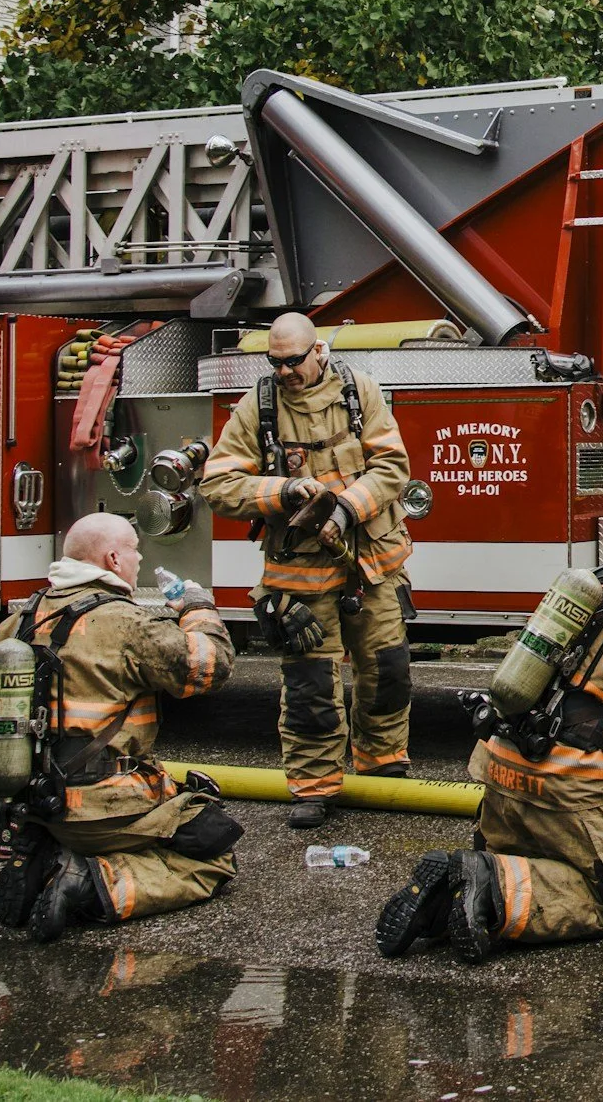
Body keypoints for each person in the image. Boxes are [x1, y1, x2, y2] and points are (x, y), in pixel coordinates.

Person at [373, 548, 603, 961]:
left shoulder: (593, 586)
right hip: (568, 792)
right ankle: (495, 890)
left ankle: (452, 892)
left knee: (555, 854)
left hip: (503, 779)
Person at [197, 312, 416, 830]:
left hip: (372, 568)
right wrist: (281, 491)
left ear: (318, 350)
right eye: (276, 362)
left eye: (294, 360)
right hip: (301, 579)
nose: (286, 371)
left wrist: (345, 508)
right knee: (311, 688)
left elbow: (392, 467)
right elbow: (217, 485)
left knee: (388, 674)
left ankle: (383, 772)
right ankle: (314, 788)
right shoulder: (259, 406)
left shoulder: (361, 394)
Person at [0, 514, 242, 942]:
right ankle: (91, 882)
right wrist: (198, 607)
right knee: (213, 853)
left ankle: (47, 853)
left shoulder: (18, 621)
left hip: (36, 803)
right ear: (112, 559)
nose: (140, 557)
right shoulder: (127, 623)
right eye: (134, 549)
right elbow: (212, 667)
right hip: (107, 810)